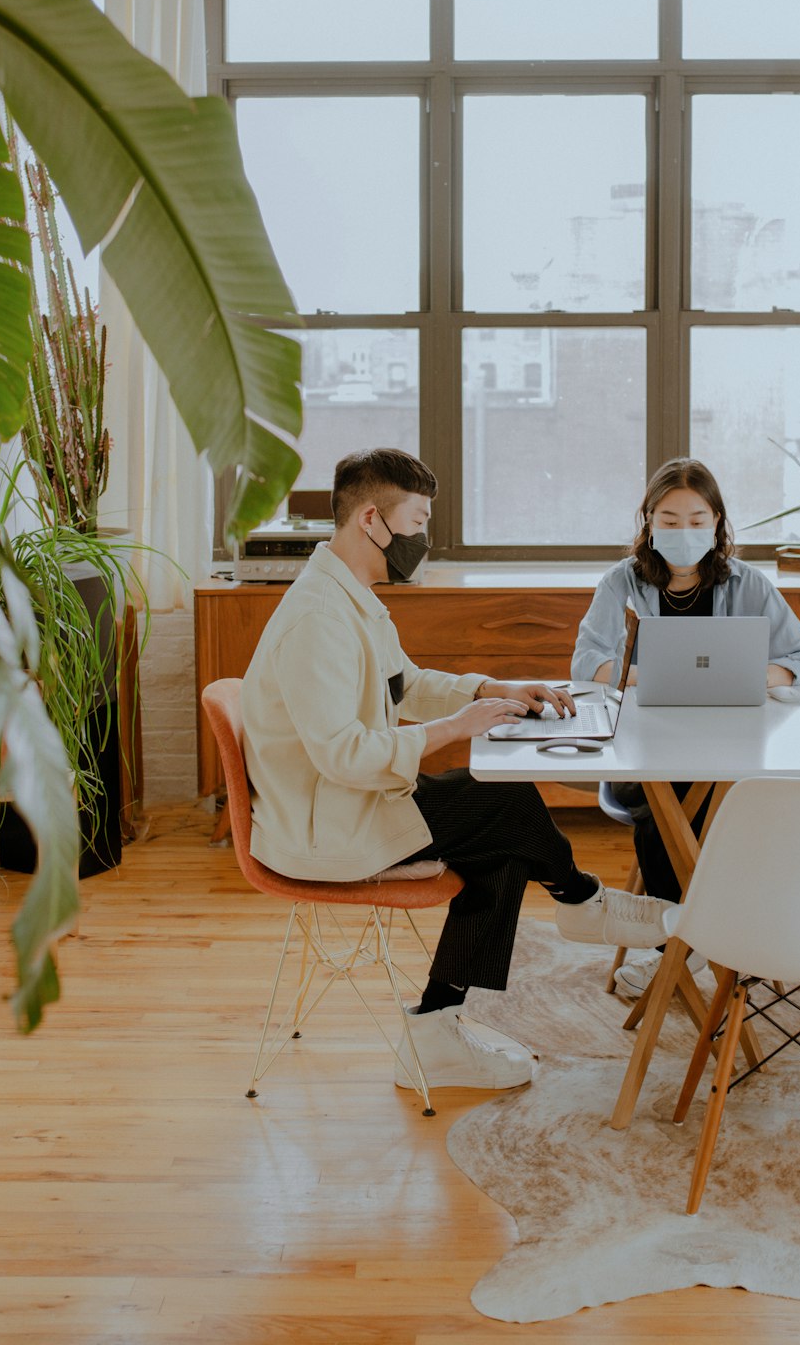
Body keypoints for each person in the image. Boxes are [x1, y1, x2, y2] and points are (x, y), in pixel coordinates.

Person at [241, 447, 670, 1093]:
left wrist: (488, 689)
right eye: (416, 520)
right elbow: (344, 754)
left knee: (502, 839)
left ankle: (438, 1032)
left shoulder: (348, 593)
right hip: (325, 828)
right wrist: (455, 730)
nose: (422, 538)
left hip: (349, 804)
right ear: (370, 519)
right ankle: (581, 900)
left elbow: (404, 682)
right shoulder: (318, 620)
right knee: (504, 804)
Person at [571, 456, 800, 999]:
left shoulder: (746, 583)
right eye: (669, 519)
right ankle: (697, 948)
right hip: (643, 752)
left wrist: (755, 674)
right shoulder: (621, 582)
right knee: (663, 804)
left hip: (731, 751)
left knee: (714, 804)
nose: (683, 531)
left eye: (695, 519)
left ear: (716, 522)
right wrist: (642, 674)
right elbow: (584, 664)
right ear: (648, 521)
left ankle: (690, 948)